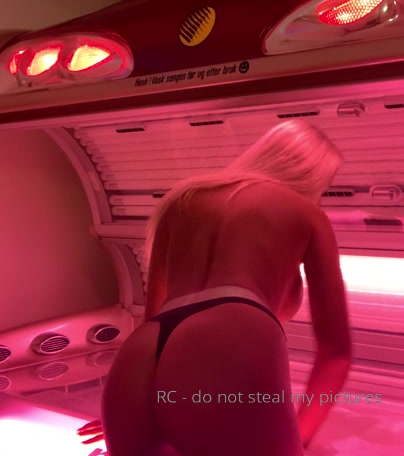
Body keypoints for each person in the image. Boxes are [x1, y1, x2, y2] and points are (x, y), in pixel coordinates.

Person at [78, 120, 351, 456]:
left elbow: (155, 311)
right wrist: (299, 439)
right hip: (227, 344)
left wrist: (130, 409)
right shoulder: (307, 213)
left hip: (143, 351)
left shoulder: (183, 199)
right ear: (315, 177)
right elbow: (335, 351)